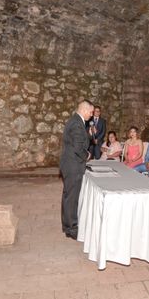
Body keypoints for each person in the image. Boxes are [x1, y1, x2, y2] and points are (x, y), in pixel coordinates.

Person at [60, 99, 94, 240]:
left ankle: (67, 225)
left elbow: (81, 140)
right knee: (72, 197)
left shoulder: (76, 121)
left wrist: (90, 135)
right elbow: (77, 147)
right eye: (91, 112)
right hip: (73, 165)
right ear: (85, 110)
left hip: (70, 164)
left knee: (69, 195)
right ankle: (72, 228)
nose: (91, 115)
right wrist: (86, 155)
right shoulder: (76, 123)